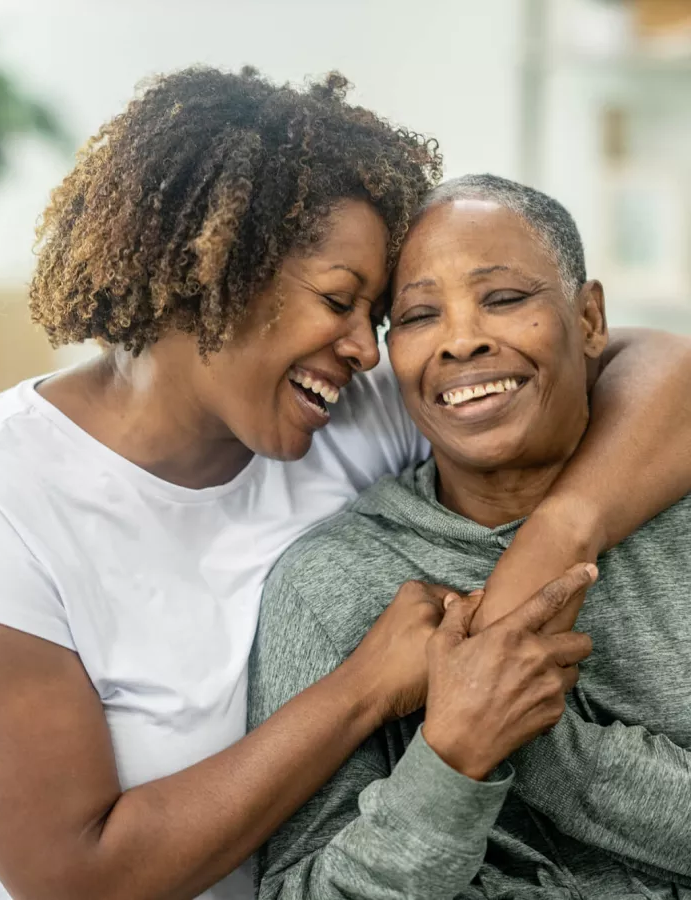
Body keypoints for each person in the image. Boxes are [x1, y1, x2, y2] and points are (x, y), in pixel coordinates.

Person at [0, 62, 689, 900]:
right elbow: (73, 881)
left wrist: (556, 536)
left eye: (380, 313)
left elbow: (651, 362)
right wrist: (372, 688)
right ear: (220, 270)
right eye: (341, 300)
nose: (369, 348)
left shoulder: (341, 408)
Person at [251, 174, 691, 900]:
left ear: (589, 319)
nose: (462, 340)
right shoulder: (335, 581)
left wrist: (530, 731)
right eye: (420, 316)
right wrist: (450, 761)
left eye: (506, 298)